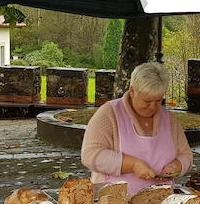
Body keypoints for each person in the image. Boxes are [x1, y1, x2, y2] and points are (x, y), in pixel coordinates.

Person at [81, 62, 193, 195]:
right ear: (132, 90)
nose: (152, 107)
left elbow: (186, 156)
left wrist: (176, 166)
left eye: (158, 101)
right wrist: (133, 165)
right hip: (113, 201)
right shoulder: (109, 114)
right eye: (147, 101)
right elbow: (90, 155)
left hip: (161, 201)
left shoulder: (169, 119)